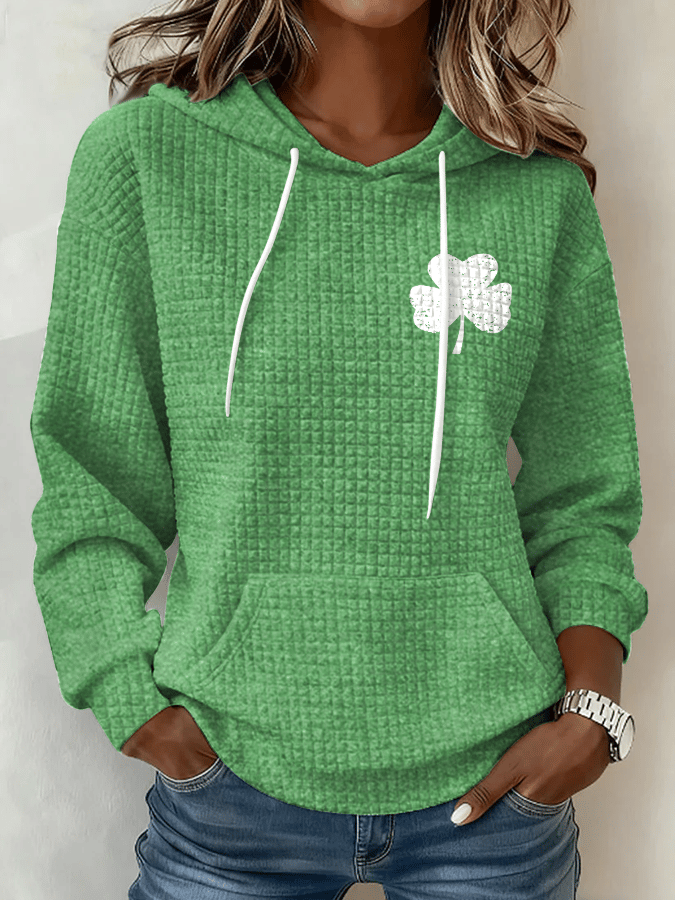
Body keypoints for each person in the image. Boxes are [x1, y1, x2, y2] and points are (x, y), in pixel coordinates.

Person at [29, 0, 648, 897]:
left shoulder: (532, 188)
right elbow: (94, 471)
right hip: (230, 786)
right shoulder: (147, 158)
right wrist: (125, 695)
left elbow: (583, 494)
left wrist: (591, 713)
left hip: (494, 785)